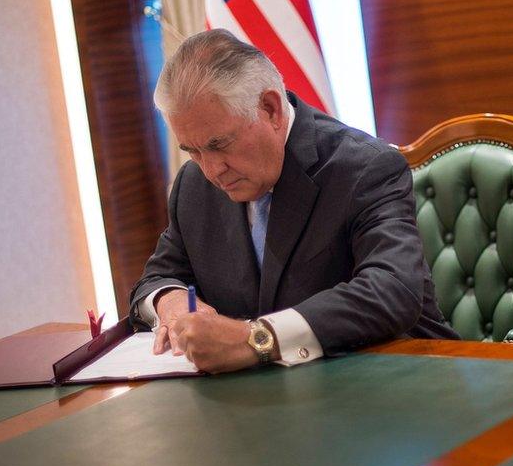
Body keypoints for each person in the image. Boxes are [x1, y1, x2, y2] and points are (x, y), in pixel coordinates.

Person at [131, 29, 457, 374]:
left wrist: (256, 339)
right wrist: (170, 301)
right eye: (192, 151)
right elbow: (158, 277)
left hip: (399, 381)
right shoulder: (193, 186)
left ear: (270, 109)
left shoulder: (365, 168)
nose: (211, 170)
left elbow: (392, 290)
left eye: (219, 144)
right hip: (269, 399)